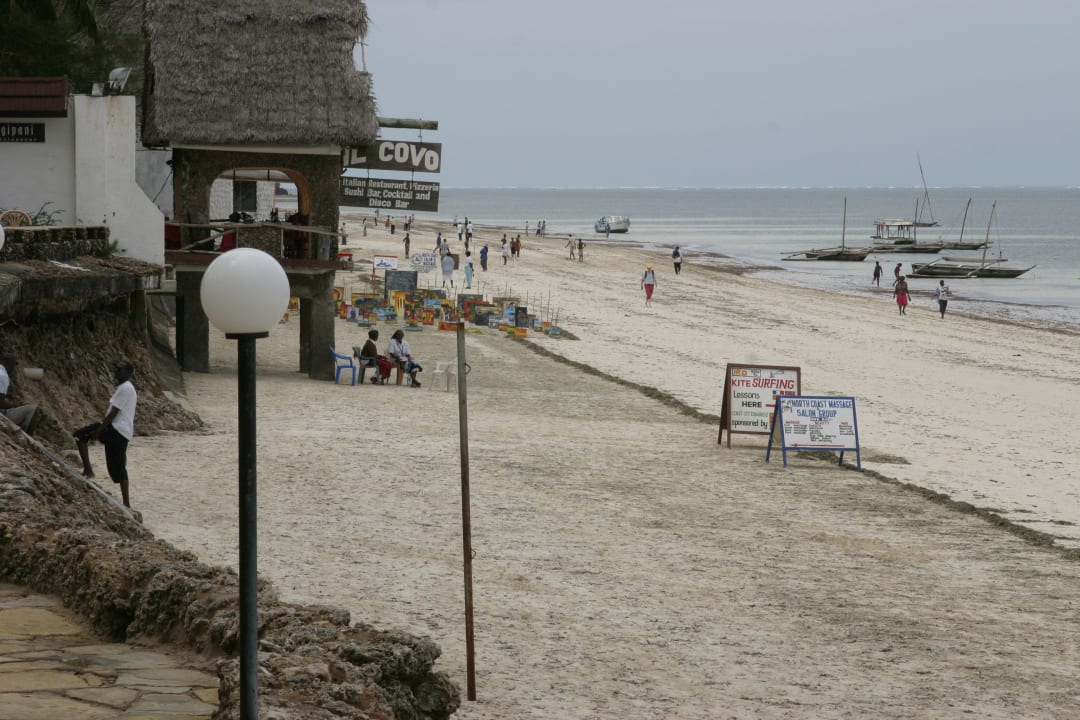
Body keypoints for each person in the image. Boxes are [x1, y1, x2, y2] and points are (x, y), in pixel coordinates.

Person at [74, 360, 137, 508]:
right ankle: (126, 503)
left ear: (128, 373)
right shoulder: (126, 388)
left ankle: (88, 471)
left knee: (80, 436)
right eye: (116, 369)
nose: (116, 372)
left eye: (120, 370)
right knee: (118, 467)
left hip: (116, 429)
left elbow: (114, 412)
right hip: (122, 431)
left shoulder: (125, 388)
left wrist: (99, 430)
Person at [0, 352, 39, 435]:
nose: (12, 368)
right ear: (6, 362)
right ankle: (27, 438)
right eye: (12, 365)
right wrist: (15, 405)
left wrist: (6, 396)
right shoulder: (3, 375)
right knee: (33, 409)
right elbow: (1, 403)